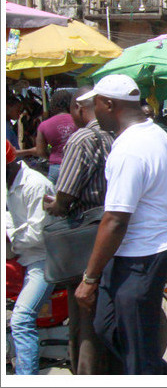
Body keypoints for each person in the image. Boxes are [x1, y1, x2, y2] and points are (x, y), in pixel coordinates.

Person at [73, 74, 167, 375]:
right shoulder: (160, 135)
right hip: (145, 251)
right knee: (107, 326)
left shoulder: (129, 149)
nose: (95, 112)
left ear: (109, 104)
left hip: (141, 257)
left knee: (137, 352)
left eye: (96, 105)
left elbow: (116, 220)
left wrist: (90, 278)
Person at [42, 86, 117, 375]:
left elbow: (66, 198)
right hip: (116, 236)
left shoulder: (83, 138)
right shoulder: (117, 136)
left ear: (78, 107)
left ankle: (87, 374)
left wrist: (53, 205)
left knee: (85, 320)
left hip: (86, 239)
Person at [6, 140, 56, 375]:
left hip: (42, 259)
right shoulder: (10, 185)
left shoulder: (35, 185)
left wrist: (9, 239)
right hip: (23, 256)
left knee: (21, 319)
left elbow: (37, 235)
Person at [16, 89, 77, 183]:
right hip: (77, 165)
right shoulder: (78, 120)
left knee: (53, 196)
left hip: (56, 167)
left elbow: (40, 151)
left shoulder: (44, 125)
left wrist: (51, 156)